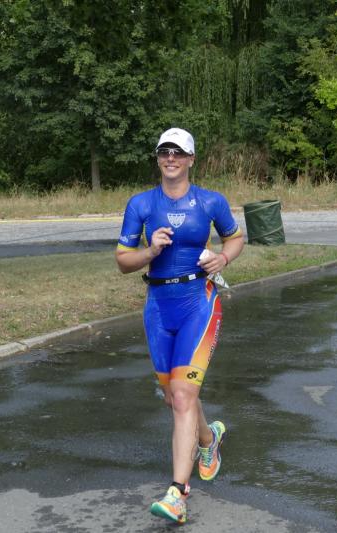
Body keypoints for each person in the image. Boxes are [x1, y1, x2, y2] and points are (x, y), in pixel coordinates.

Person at [115, 127, 244, 524]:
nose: (170, 158)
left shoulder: (210, 201)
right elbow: (122, 261)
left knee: (185, 395)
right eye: (164, 152)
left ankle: (177, 494)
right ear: (158, 158)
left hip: (198, 304)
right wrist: (150, 250)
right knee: (175, 397)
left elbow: (235, 238)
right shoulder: (140, 204)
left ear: (191, 159)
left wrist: (223, 259)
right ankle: (208, 438)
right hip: (158, 307)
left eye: (178, 152)